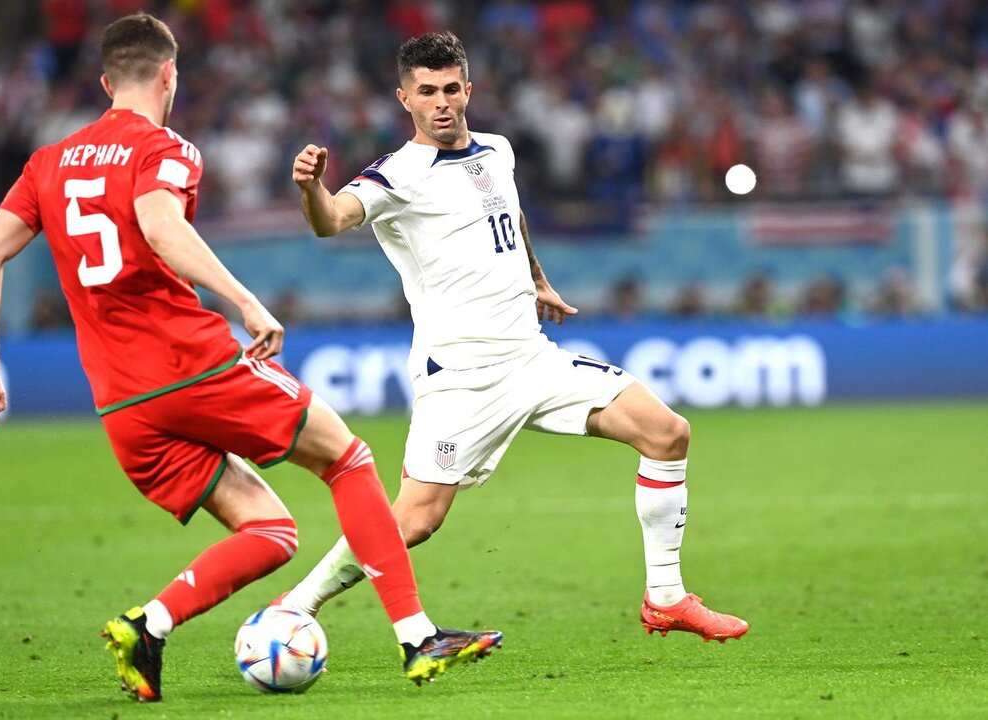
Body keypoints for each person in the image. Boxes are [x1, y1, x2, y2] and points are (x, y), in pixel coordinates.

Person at [0, 13, 500, 703]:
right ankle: (416, 635)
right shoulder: (167, 149)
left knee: (271, 531)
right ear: (170, 75)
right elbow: (160, 225)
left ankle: (148, 626)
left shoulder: (48, 162)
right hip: (191, 366)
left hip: (121, 404)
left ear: (104, 83)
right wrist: (245, 301)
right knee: (347, 459)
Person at [281, 31, 748, 643]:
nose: (441, 102)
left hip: (530, 356)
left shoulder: (496, 149)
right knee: (417, 519)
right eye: (427, 91)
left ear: (468, 89)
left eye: (451, 88)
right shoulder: (398, 174)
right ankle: (298, 603)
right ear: (405, 99)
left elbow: (509, 215)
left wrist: (537, 279)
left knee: (667, 434)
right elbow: (333, 221)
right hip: (462, 374)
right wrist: (311, 189)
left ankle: (665, 598)